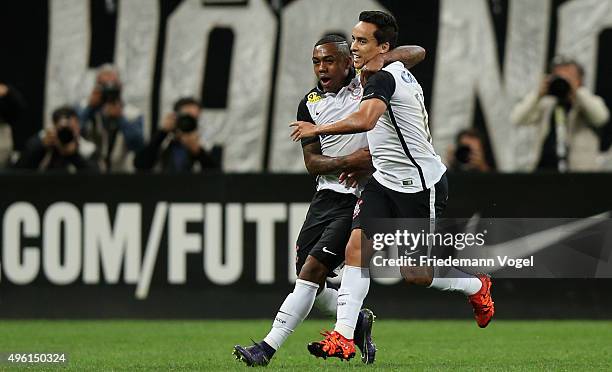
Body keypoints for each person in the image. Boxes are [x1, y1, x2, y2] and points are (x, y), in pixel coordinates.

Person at [291, 11, 494, 361]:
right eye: (353, 39)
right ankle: (342, 336)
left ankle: (476, 285)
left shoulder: (384, 77)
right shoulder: (376, 68)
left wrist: (317, 130)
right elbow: (417, 52)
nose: (353, 47)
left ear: (382, 47)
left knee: (416, 274)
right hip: (383, 182)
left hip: (419, 186)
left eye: (362, 41)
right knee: (357, 251)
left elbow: (365, 119)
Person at [233, 35, 427, 367]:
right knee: (306, 276)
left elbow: (418, 52)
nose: (322, 68)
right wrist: (351, 160)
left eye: (329, 60)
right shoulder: (308, 103)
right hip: (325, 197)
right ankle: (355, 320)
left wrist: (379, 60)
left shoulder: (369, 83)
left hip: (359, 198)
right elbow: (313, 163)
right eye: (316, 61)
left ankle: (266, 348)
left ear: (347, 61)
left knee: (311, 270)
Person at [511, 56, 610, 172]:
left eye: (569, 76)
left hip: (579, 175)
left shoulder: (588, 102)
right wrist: (538, 95)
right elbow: (517, 118)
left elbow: (601, 117)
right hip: (544, 171)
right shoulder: (547, 104)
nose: (563, 80)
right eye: (558, 76)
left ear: (580, 79)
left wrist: (577, 91)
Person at [77, 64, 145, 172]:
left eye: (112, 85)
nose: (108, 89)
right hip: (88, 171)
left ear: (120, 86)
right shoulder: (83, 107)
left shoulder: (132, 113)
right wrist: (90, 108)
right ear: (96, 86)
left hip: (121, 173)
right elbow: (74, 133)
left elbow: (137, 145)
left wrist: (121, 118)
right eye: (103, 85)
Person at [134, 97, 221, 172]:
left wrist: (198, 151)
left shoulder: (204, 144)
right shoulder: (164, 141)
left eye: (193, 119)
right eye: (185, 118)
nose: (188, 122)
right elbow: (140, 165)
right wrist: (163, 132)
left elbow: (216, 175)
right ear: (175, 117)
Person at [14, 106, 98, 172]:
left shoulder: (87, 149)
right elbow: (19, 170)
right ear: (54, 127)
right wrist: (41, 147)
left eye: (71, 128)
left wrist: (73, 155)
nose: (67, 132)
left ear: (78, 126)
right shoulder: (43, 141)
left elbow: (96, 177)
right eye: (62, 129)